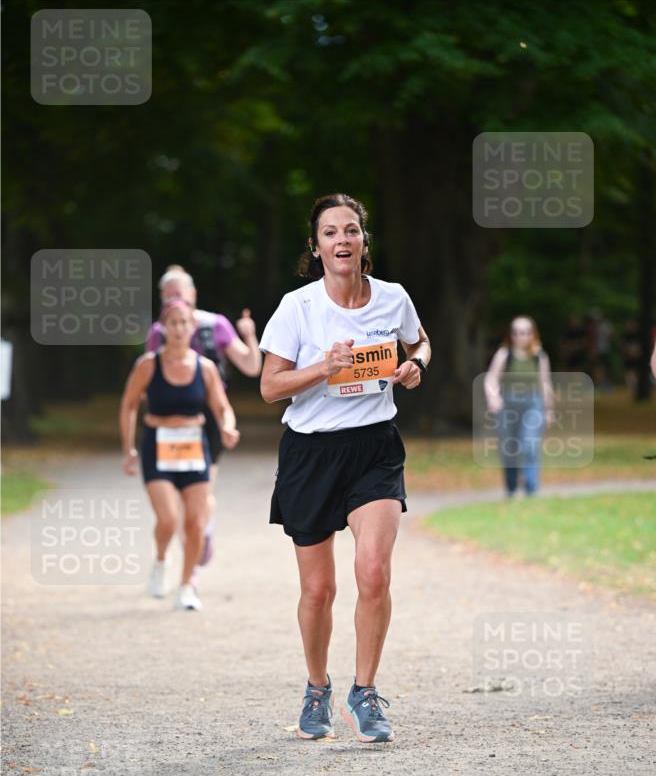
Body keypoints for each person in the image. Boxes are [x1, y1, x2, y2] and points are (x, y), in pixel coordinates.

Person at [259, 193, 430, 744]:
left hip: (374, 448)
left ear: (363, 241)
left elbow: (420, 341)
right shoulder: (298, 308)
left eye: (351, 230)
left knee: (374, 572)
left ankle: (365, 690)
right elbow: (269, 387)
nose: (342, 240)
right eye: (330, 232)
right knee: (318, 591)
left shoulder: (393, 297)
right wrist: (322, 368)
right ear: (316, 247)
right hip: (311, 454)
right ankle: (316, 688)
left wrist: (414, 365)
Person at [120, 298, 240, 610]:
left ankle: (186, 585)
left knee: (197, 523)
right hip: (157, 444)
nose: (179, 328)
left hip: (193, 446)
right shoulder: (148, 364)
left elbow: (222, 408)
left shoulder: (206, 368)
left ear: (193, 328)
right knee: (169, 519)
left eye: (185, 322)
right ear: (163, 327)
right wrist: (128, 448)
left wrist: (228, 427)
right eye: (173, 322)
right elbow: (129, 405)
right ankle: (161, 559)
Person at [146, 266, 261, 569]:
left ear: (193, 295)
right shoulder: (157, 333)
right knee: (182, 497)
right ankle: (192, 558)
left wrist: (249, 335)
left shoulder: (215, 325)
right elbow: (149, 380)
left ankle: (201, 534)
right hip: (173, 420)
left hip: (208, 415)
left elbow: (251, 367)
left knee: (202, 490)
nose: (174, 300)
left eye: (179, 293)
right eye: (168, 296)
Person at [484, 315, 555, 497]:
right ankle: (511, 488)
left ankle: (531, 490)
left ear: (532, 334)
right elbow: (491, 378)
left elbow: (545, 384)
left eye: (524, 332)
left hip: (533, 404)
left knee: (530, 445)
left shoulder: (539, 356)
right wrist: (493, 398)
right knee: (509, 448)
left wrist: (549, 410)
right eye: (516, 332)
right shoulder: (504, 354)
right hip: (508, 404)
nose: (520, 336)